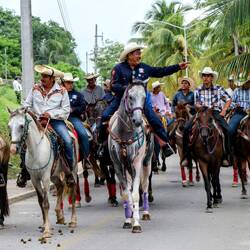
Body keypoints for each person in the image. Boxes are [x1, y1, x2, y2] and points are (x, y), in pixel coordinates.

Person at [98, 42, 189, 156]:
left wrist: (178, 67)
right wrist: (128, 89)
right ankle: (101, 145)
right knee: (105, 116)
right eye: (137, 53)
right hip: (121, 100)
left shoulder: (144, 68)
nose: (139, 56)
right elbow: (113, 86)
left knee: (155, 120)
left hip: (140, 102)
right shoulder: (118, 68)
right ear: (129, 55)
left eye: (139, 53)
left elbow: (161, 71)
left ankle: (165, 145)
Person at [18, 65, 75, 187]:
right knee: (22, 142)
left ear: (52, 78)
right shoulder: (35, 89)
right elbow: (27, 104)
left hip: (55, 121)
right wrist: (24, 110)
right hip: (36, 121)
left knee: (68, 141)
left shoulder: (62, 91)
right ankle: (24, 171)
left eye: (45, 76)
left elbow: (66, 111)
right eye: (41, 76)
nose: (42, 78)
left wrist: (51, 114)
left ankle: (69, 172)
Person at [182, 67, 232, 166]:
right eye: (204, 75)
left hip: (215, 112)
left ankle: (226, 156)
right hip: (201, 113)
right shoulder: (198, 89)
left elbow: (229, 99)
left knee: (228, 130)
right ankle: (187, 157)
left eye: (208, 76)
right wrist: (199, 106)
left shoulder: (219, 88)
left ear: (212, 77)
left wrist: (224, 110)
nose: (206, 78)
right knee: (186, 128)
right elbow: (196, 104)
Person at [62, 72, 90, 160]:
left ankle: (86, 157)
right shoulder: (58, 94)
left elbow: (83, 107)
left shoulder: (78, 95)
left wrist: (73, 109)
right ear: (63, 83)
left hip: (73, 118)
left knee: (83, 134)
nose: (70, 85)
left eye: (71, 82)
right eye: (68, 82)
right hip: (59, 117)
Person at [228, 76, 250, 141]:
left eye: (249, 82)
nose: (249, 84)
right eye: (247, 83)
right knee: (230, 130)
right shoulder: (237, 90)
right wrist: (236, 105)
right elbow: (230, 103)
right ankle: (230, 147)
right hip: (239, 113)